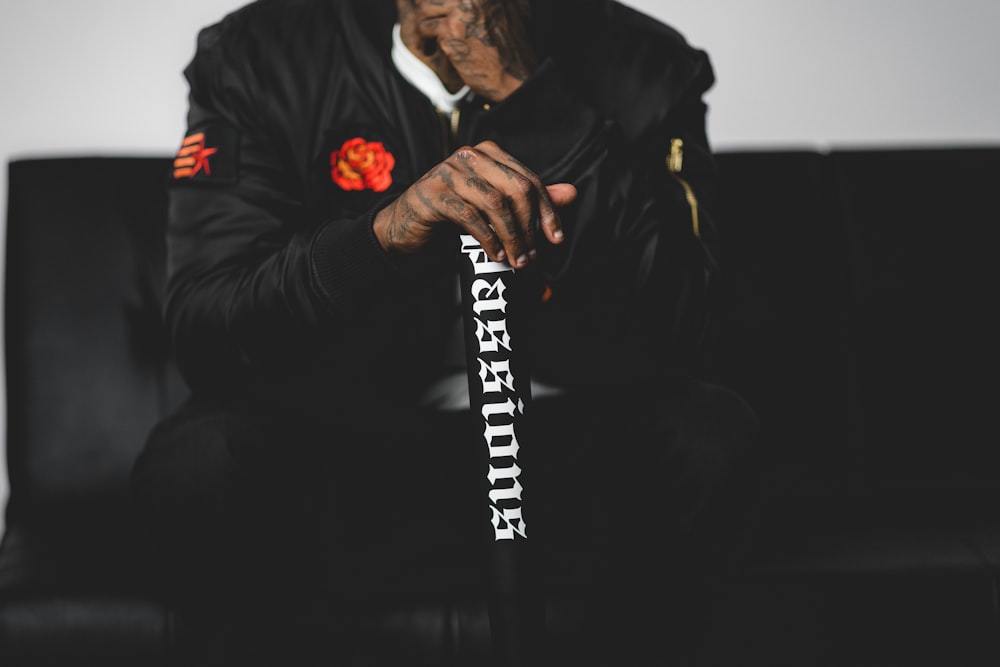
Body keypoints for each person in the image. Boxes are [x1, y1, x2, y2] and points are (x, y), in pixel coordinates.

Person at [131, 0, 759, 664]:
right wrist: (381, 238)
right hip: (350, 451)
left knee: (712, 436)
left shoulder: (646, 62)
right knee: (197, 465)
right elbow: (208, 328)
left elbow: (690, 325)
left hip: (563, 452)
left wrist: (533, 97)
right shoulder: (258, 55)